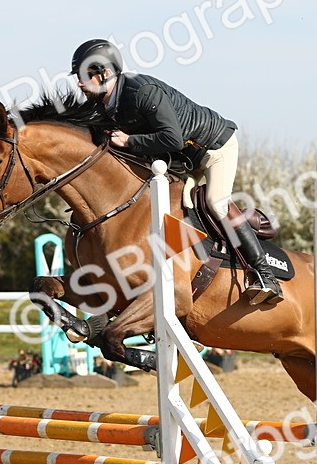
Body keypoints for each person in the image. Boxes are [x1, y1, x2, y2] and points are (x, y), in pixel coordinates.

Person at [70, 38, 283, 305]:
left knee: (216, 202)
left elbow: (173, 139)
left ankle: (264, 274)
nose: (79, 84)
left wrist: (129, 141)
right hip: (182, 161)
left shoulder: (142, 92)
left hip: (213, 148)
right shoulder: (103, 105)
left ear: (105, 73)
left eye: (84, 77)